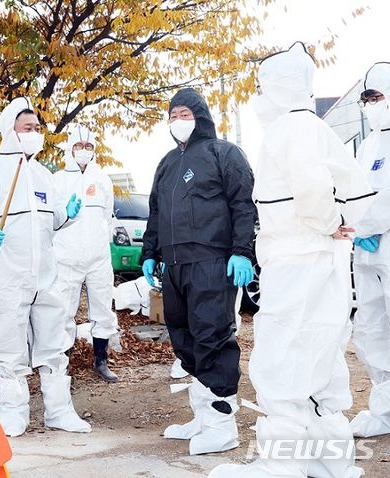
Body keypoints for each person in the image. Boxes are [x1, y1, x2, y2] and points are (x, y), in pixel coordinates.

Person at [209, 42, 373, 478]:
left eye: (262, 88)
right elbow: (348, 187)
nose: (259, 98)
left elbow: (312, 186)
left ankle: (281, 464)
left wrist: (326, 222)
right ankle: (330, 460)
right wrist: (338, 223)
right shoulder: (315, 127)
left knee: (284, 357)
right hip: (321, 258)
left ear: (278, 89)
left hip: (299, 257)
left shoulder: (289, 129)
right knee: (321, 360)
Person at [0, 97, 91, 437]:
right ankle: (13, 412)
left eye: (37, 128)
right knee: (9, 346)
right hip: (6, 276)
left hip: (43, 278)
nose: (35, 133)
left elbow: (48, 222)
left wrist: (67, 214)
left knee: (53, 342)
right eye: (27, 128)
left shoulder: (42, 175)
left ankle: (59, 411)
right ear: (11, 131)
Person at [141, 87, 257, 455]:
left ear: (201, 116)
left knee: (211, 337)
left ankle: (222, 424)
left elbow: (243, 204)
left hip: (211, 261)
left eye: (185, 115)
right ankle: (203, 414)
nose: (178, 122)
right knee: (185, 340)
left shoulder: (225, 154)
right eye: (173, 116)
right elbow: (156, 213)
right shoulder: (166, 163)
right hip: (174, 266)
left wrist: (242, 251)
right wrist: (150, 252)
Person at [350, 62, 390, 438]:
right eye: (366, 99)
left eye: (376, 97)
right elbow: (353, 193)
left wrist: (359, 225)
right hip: (365, 252)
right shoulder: (366, 146)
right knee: (370, 328)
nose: (370, 104)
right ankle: (386, 408)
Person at [53, 125, 120, 383]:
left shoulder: (103, 179)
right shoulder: (58, 179)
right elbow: (53, 218)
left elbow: (108, 217)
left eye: (88, 147)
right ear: (70, 148)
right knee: (63, 311)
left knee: (103, 308)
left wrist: (102, 242)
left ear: (94, 150)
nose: (83, 151)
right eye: (79, 146)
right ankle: (62, 363)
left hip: (98, 258)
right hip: (66, 258)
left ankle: (101, 360)